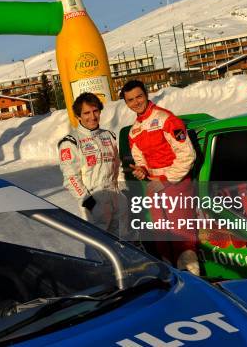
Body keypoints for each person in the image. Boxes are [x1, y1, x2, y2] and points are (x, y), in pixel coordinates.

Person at [120, 80, 199, 275]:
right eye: (130, 100)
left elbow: (188, 156)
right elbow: (142, 162)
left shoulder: (167, 119)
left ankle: (192, 282)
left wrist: (164, 180)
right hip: (154, 187)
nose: (136, 102)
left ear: (146, 94)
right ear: (126, 103)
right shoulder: (133, 131)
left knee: (181, 236)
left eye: (139, 96)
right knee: (162, 236)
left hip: (176, 183)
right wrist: (141, 171)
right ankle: (170, 279)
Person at [58, 92, 126, 237]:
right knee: (97, 246)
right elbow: (71, 179)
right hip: (94, 202)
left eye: (95, 111)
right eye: (86, 113)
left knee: (121, 243)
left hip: (115, 199)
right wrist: (90, 203)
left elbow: (117, 166)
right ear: (78, 116)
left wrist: (122, 190)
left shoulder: (109, 136)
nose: (92, 116)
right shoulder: (71, 142)